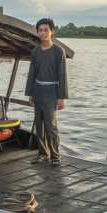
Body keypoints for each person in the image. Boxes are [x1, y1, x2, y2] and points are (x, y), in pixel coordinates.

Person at [25, 17, 68, 167]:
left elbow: (62, 75)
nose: (43, 33)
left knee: (51, 126)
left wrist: (61, 97)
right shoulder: (35, 51)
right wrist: (30, 93)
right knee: (39, 124)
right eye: (40, 30)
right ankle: (43, 154)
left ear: (52, 31)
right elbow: (32, 73)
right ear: (37, 32)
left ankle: (55, 156)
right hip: (37, 92)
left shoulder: (58, 51)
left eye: (46, 30)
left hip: (51, 93)